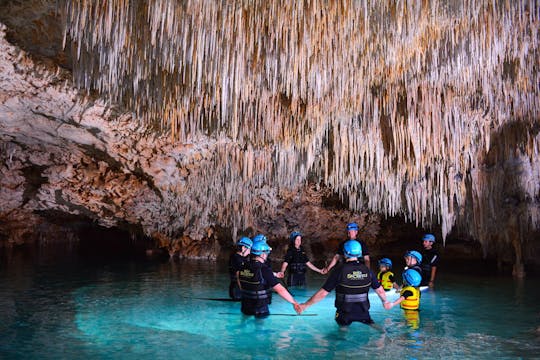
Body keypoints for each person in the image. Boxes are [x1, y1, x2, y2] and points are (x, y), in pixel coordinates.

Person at [297, 240, 389, 326]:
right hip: (363, 312)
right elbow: (380, 290)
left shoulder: (340, 271)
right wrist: (385, 301)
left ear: (345, 254)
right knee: (372, 324)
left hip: (344, 313)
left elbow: (323, 293)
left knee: (342, 333)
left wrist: (305, 305)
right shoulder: (368, 271)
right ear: (360, 253)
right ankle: (383, 338)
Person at [238, 240, 300, 318]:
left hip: (245, 305)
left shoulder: (243, 266)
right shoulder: (264, 269)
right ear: (263, 254)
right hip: (260, 307)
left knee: (244, 325)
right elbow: (280, 289)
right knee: (260, 328)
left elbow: (239, 281)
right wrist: (294, 303)